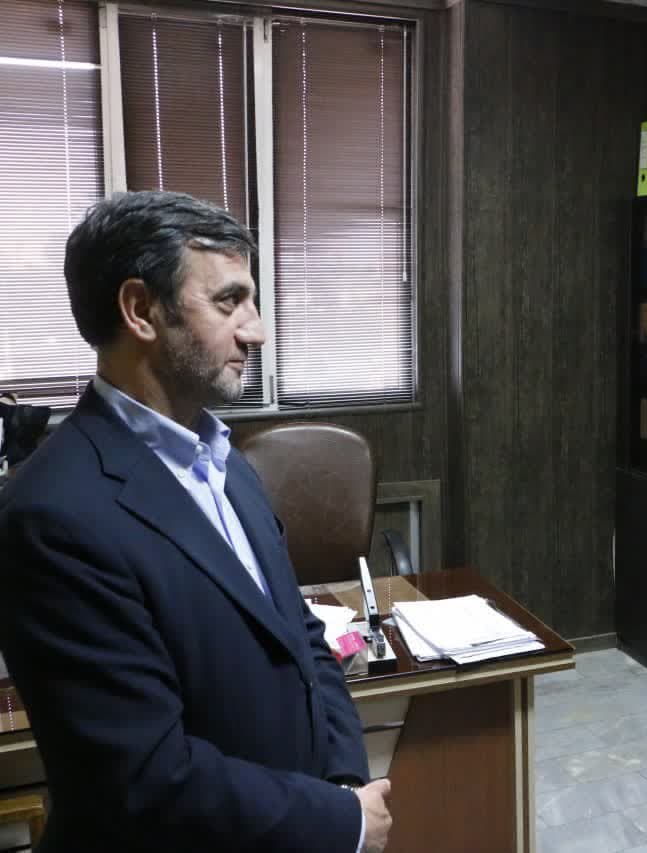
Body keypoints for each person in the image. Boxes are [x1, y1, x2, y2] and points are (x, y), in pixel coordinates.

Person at [0, 191, 392, 852]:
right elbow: (145, 779)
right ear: (140, 309)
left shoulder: (224, 460)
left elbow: (298, 634)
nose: (256, 331)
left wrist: (343, 783)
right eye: (228, 301)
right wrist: (340, 822)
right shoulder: (50, 517)